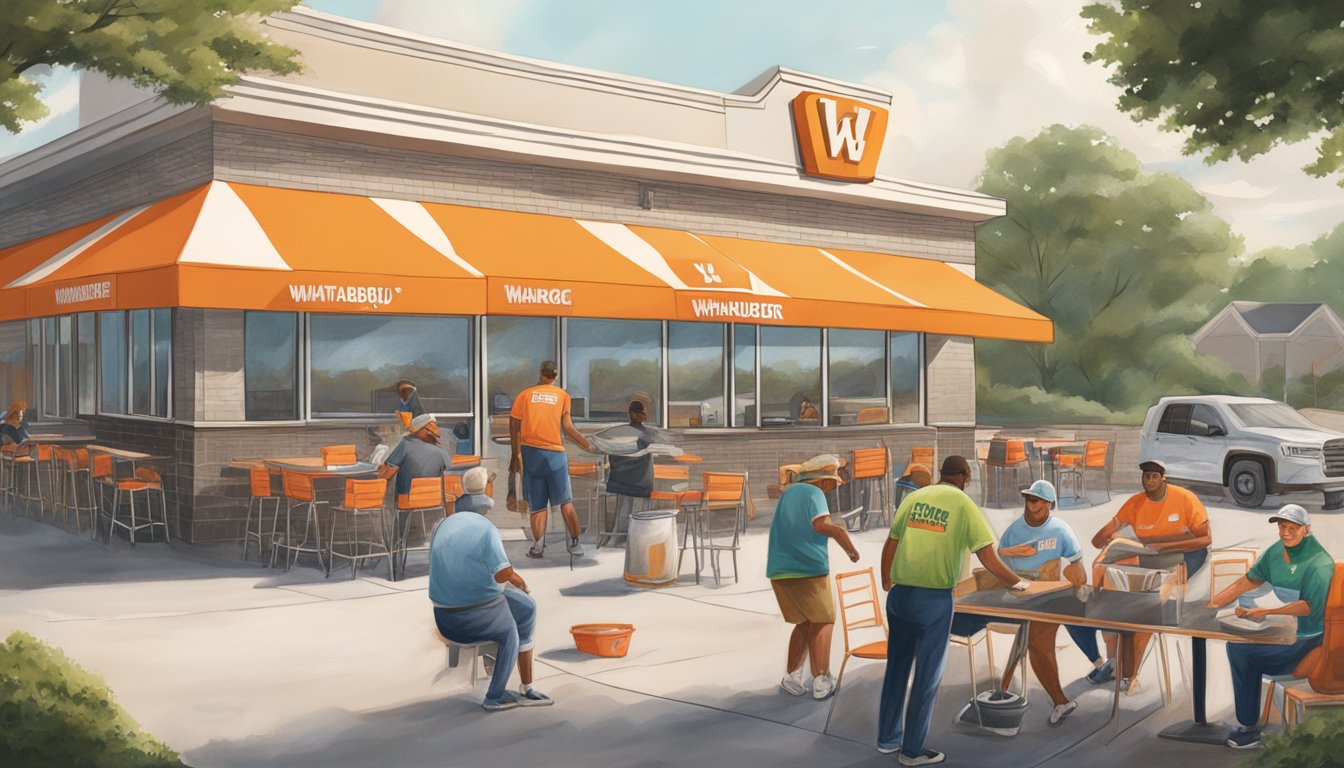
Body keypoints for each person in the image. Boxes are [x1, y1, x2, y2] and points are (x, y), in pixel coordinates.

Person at [878, 455, 1028, 766]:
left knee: (897, 669)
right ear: (965, 475)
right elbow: (986, 554)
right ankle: (912, 751)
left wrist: (886, 579)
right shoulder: (962, 504)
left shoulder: (914, 498)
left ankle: (887, 739)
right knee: (926, 677)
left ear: (940, 474)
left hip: (900, 596)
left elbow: (891, 542)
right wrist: (1016, 582)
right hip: (933, 600)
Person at [1067, 459, 1212, 693]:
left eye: (1154, 476)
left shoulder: (1184, 498)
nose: (1150, 480)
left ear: (1164, 478)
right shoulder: (1136, 503)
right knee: (1109, 595)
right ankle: (1113, 661)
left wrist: (1163, 546)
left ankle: (1130, 673)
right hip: (1150, 557)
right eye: (1146, 476)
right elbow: (1102, 535)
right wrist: (1110, 539)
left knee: (1144, 607)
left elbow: (1204, 539)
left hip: (1186, 558)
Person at [1209, 504, 1334, 749]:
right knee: (1242, 644)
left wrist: (1265, 611)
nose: (1285, 533)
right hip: (1287, 632)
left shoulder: (1319, 563)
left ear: (1306, 530)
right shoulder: (1277, 551)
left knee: (1241, 651)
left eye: (1291, 528)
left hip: (1309, 642)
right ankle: (1249, 721)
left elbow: (1307, 607)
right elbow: (1249, 580)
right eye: (1281, 527)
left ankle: (1249, 729)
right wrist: (1213, 603)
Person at [429, 474, 553, 712]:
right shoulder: (487, 529)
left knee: (527, 608)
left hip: (444, 616)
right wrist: (523, 584)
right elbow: (502, 574)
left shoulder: (442, 526)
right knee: (511, 635)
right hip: (475, 615)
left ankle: (527, 687)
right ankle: (495, 697)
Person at [767, 454, 861, 701]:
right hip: (807, 568)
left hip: (779, 569)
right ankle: (821, 679)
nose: (835, 485)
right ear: (822, 480)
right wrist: (848, 546)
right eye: (833, 481)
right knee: (823, 620)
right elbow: (821, 525)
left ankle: (792, 676)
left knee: (804, 623)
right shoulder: (814, 494)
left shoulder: (788, 493)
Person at [509, 361, 593, 558]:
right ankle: (575, 544)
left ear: (540, 373)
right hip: (555, 455)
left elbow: (514, 428)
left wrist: (515, 455)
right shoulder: (563, 396)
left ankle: (538, 547)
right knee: (565, 501)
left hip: (531, 455)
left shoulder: (525, 395)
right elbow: (569, 428)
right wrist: (587, 444)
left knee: (537, 504)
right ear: (555, 377)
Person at [379, 414, 458, 508]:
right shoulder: (441, 453)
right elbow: (450, 474)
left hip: (407, 501)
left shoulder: (405, 444)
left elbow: (388, 472)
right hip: (434, 500)